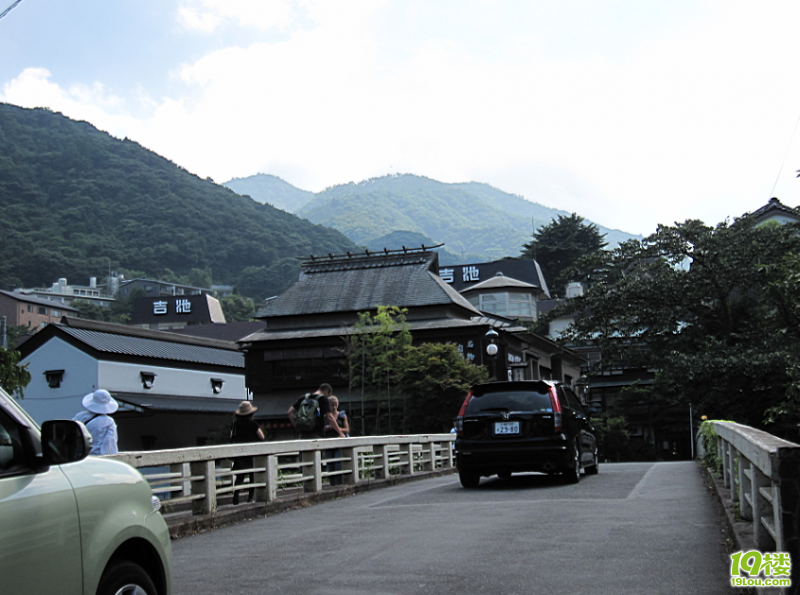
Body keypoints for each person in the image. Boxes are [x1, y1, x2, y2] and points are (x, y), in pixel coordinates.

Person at [230, 400, 265, 505]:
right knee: (252, 476)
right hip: (251, 453)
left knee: (240, 477)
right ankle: (250, 498)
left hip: (240, 453)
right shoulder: (253, 424)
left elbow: (232, 436)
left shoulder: (235, 424)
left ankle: (235, 497)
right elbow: (262, 437)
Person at [73, 389, 119, 455]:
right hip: (96, 457)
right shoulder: (109, 422)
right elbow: (109, 444)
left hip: (79, 455)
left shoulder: (80, 416)